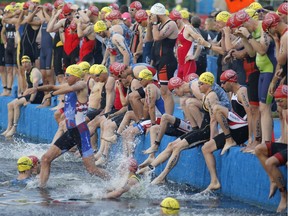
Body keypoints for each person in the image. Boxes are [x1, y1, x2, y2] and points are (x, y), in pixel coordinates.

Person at [25, 64, 109, 187]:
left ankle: (115, 182)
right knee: (45, 159)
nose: (65, 78)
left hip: (81, 132)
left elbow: (69, 89)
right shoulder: (69, 85)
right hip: (70, 132)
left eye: (68, 75)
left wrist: (52, 94)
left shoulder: (81, 85)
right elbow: (53, 86)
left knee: (92, 170)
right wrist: (37, 89)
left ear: (76, 76)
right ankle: (42, 188)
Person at [137, 72, 218, 185]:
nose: (198, 86)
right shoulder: (193, 96)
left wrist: (212, 139)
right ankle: (151, 166)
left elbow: (215, 118)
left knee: (177, 147)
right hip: (199, 129)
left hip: (205, 131)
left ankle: (162, 176)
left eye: (200, 84)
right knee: (171, 145)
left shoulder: (204, 95)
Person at [201, 70, 250, 193]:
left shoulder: (242, 91)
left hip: (242, 129)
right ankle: (214, 181)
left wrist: (251, 139)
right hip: (235, 130)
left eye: (223, 83)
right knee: (206, 148)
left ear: (231, 81)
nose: (221, 86)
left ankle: (229, 140)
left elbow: (252, 114)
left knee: (217, 108)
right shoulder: (232, 94)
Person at [255, 85, 287, 213]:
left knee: (270, 162)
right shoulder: (284, 109)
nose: (278, 104)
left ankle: (284, 195)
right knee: (259, 149)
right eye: (277, 101)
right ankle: (273, 179)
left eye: (281, 100)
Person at [1, 55, 44, 138]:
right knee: (9, 105)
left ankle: (14, 127)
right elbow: (29, 86)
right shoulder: (25, 72)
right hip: (31, 93)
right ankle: (8, 127)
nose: (25, 64)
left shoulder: (35, 72)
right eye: (23, 63)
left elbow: (35, 88)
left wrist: (30, 100)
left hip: (37, 95)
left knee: (16, 104)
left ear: (30, 63)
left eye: (26, 62)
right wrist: (24, 94)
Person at [150, 3, 178, 115]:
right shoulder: (161, 24)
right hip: (160, 61)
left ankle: (169, 118)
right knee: (163, 91)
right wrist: (150, 25)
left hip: (167, 61)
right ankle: (166, 116)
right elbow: (150, 38)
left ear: (157, 15)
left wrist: (155, 23)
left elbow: (157, 37)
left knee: (166, 91)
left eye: (152, 15)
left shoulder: (170, 24)